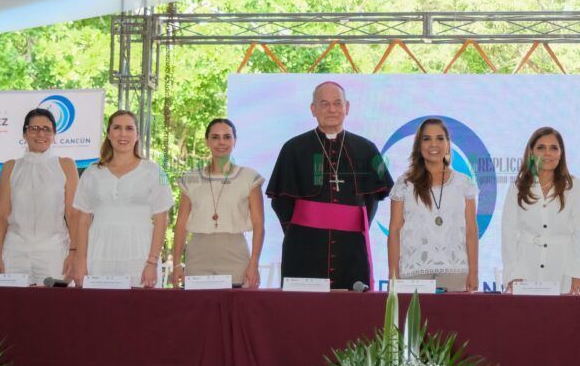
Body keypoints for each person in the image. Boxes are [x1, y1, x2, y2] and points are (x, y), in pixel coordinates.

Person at [266, 82, 393, 290]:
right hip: (304, 247)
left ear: (347, 107)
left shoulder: (368, 148)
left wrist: (352, 226)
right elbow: (281, 201)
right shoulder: (292, 148)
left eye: (337, 103)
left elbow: (375, 197)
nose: (332, 109)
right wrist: (300, 233)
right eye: (324, 104)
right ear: (313, 109)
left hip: (352, 247)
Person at [71, 110, 174, 287]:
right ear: (109, 134)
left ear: (137, 135)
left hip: (140, 255)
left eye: (129, 128)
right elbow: (83, 219)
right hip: (98, 253)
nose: (123, 134)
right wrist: (80, 260)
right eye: (117, 128)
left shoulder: (155, 171)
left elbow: (161, 219)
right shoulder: (91, 172)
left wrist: (152, 262)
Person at [171, 118, 264, 288]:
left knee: (235, 310)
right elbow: (181, 224)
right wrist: (176, 264)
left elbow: (259, 224)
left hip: (235, 253)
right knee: (198, 310)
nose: (221, 142)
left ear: (235, 141)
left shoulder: (250, 178)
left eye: (227, 137)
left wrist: (254, 263)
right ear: (207, 141)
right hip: (198, 254)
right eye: (215, 137)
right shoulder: (191, 179)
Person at [388, 118, 478, 292]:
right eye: (426, 139)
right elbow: (394, 230)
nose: (433, 144)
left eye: (439, 138)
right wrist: (393, 274)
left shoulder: (464, 183)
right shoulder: (404, 184)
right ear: (419, 145)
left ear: (448, 144)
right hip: (413, 271)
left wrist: (473, 272)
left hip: (455, 271)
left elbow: (471, 230)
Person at [0, 108, 80, 284]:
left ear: (54, 134)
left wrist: (74, 252)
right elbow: (1, 216)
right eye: (34, 128)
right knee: (14, 308)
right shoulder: (11, 167)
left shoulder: (65, 165)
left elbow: (73, 214)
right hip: (14, 252)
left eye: (46, 129)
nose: (40, 134)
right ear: (25, 133)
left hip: (54, 253)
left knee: (54, 308)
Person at [501, 127, 580, 295]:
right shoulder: (517, 187)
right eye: (541, 148)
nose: (547, 153)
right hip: (525, 269)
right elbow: (508, 232)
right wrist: (513, 273)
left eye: (554, 148)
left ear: (561, 153)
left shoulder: (574, 186)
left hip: (563, 269)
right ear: (531, 152)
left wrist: (578, 273)